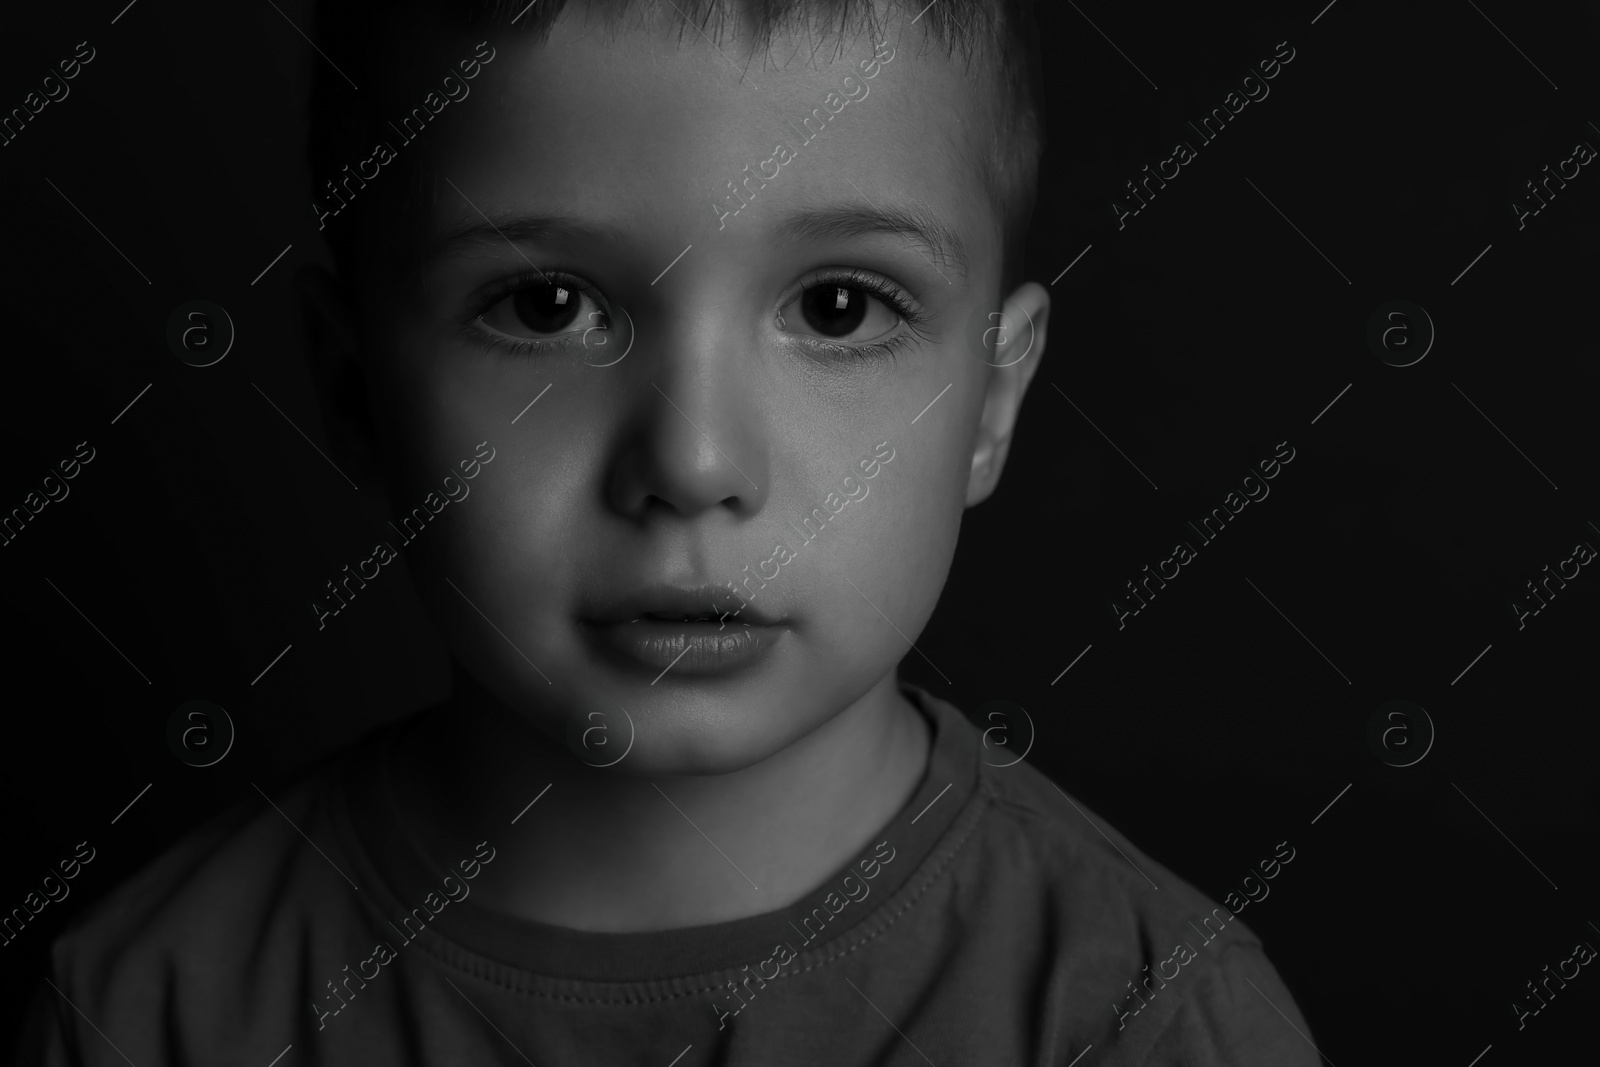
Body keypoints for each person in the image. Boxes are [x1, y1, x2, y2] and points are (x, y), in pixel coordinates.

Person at [12, 1, 1319, 1062]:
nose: (692, 463)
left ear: (991, 399)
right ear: (358, 395)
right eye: (547, 305)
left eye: (843, 308)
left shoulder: (1144, 1023)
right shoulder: (148, 1017)